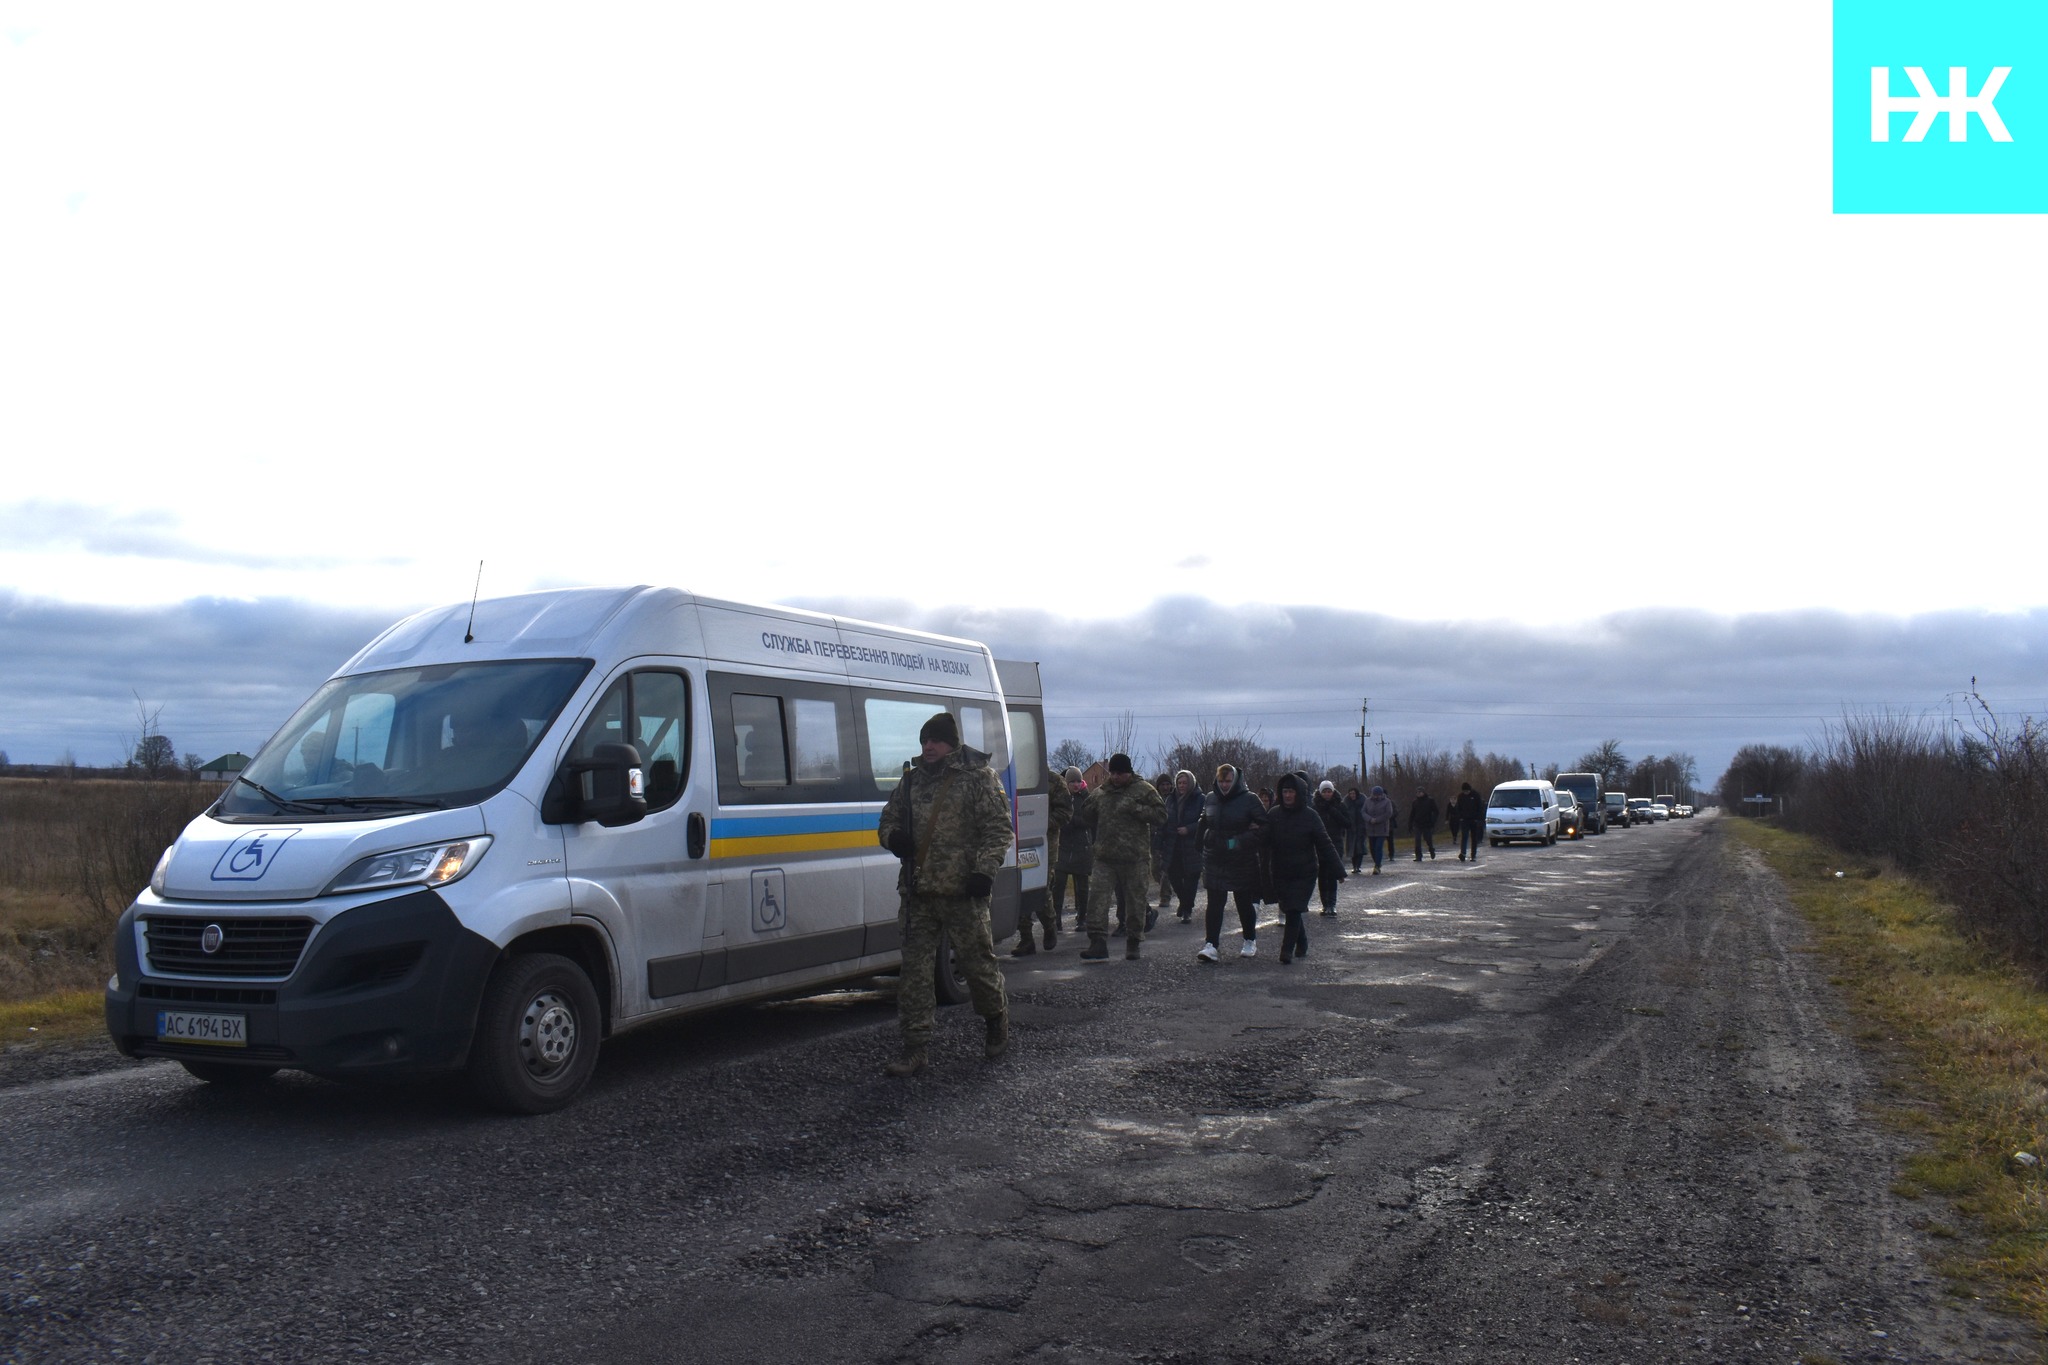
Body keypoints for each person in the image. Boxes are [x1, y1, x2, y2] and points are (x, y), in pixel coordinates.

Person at [875, 712, 1012, 1077]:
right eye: (924, 741)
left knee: (977, 966)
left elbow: (998, 829)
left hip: (964, 892)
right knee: (915, 974)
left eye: (935, 740)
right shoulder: (909, 782)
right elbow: (887, 821)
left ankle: (996, 1019)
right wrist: (893, 838)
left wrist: (984, 871)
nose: (928, 747)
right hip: (919, 892)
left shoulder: (979, 779)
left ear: (951, 743)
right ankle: (915, 1047)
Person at [1080, 752, 1167, 961]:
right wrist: (1089, 810)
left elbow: (1161, 816)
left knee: (1135, 901)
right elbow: (1086, 814)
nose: (1116, 777)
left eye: (1120, 773)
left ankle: (1133, 942)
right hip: (1105, 857)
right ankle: (1097, 942)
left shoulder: (1144, 790)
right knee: (1097, 899)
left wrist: (1135, 809)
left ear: (1129, 772)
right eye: (1113, 773)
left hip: (1134, 858)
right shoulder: (1102, 792)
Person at [1262, 772, 1345, 964]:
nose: (1288, 795)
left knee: (1294, 909)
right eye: (1285, 791)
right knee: (1290, 908)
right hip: (1281, 870)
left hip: (1304, 872)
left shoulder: (1310, 816)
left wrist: (1338, 870)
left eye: (1291, 791)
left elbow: (1325, 844)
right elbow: (1263, 839)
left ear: (1298, 793)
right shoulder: (1274, 814)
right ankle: (1303, 942)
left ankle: (1286, 950)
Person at [1196, 763, 1267, 963]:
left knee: (1243, 902)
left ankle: (1249, 939)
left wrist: (1238, 841)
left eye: (1228, 781)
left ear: (1235, 780)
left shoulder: (1250, 800)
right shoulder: (1210, 798)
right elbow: (1204, 821)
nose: (1224, 785)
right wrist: (1202, 840)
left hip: (1241, 859)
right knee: (1215, 903)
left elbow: (1264, 828)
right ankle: (1211, 944)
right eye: (1221, 781)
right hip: (1215, 857)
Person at [1014, 761, 1075, 956]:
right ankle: (1026, 939)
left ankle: (1049, 925)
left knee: (1040, 887)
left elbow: (1065, 813)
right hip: (1019, 841)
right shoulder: (1017, 779)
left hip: (1044, 843)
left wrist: (1040, 823)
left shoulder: (1055, 782)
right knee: (1019, 887)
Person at [1046, 767, 1092, 941]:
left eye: (1078, 781)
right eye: (1072, 781)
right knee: (1058, 885)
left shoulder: (1086, 798)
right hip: (1063, 847)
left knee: (1082, 887)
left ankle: (1082, 918)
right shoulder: (1060, 797)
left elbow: (1089, 820)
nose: (1075, 784)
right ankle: (1056, 919)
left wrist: (1072, 820)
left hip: (1082, 848)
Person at [1162, 770, 1205, 921]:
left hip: (1192, 845)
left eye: (1185, 783)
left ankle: (1187, 909)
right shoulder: (1170, 800)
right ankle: (1184, 901)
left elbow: (1204, 821)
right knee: (1174, 876)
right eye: (1179, 783)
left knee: (1191, 878)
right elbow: (1164, 819)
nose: (1182, 786)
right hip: (1174, 844)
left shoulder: (1200, 799)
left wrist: (1189, 829)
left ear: (1191, 783)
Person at [1312, 780, 1352, 916]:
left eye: (1329, 791)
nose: (1327, 794)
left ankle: (1332, 904)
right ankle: (1325, 904)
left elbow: (1348, 823)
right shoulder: (1315, 807)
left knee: (1333, 873)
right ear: (1320, 792)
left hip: (1336, 842)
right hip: (1319, 844)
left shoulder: (1339, 805)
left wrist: (1334, 812)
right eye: (1324, 791)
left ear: (1333, 792)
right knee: (1322, 874)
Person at [1361, 785, 1398, 873]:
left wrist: (1377, 820)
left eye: (1378, 795)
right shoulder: (1367, 801)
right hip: (1370, 828)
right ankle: (1376, 862)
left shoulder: (1387, 802)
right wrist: (1369, 819)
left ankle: (1377, 865)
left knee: (1378, 847)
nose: (1376, 796)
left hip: (1382, 829)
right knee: (1372, 848)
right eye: (1374, 794)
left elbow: (1388, 813)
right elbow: (1363, 812)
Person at [1453, 781, 1486, 861]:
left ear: (1469, 790)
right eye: (1464, 791)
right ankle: (1463, 853)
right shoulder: (1460, 796)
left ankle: (1473, 855)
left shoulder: (1475, 795)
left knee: (1474, 838)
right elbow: (1458, 808)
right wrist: (1460, 817)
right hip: (1464, 820)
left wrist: (1478, 819)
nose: (1466, 793)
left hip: (1474, 820)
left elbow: (1480, 808)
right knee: (1464, 836)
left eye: (1467, 791)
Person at [1409, 787, 1440, 861]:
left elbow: (1436, 811)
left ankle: (1431, 849)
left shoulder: (1430, 801)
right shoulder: (1415, 802)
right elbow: (1412, 814)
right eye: (1417, 792)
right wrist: (1410, 824)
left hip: (1427, 824)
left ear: (1423, 792)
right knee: (1417, 840)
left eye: (1420, 792)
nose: (1419, 794)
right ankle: (1418, 856)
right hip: (1417, 824)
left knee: (1428, 839)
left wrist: (1432, 821)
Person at [1343, 785, 1368, 872]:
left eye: (1353, 793)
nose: (1352, 795)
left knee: (1360, 848)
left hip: (1361, 828)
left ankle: (1358, 865)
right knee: (1352, 848)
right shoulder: (1346, 804)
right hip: (1351, 829)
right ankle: (1354, 866)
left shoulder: (1363, 803)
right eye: (1350, 794)